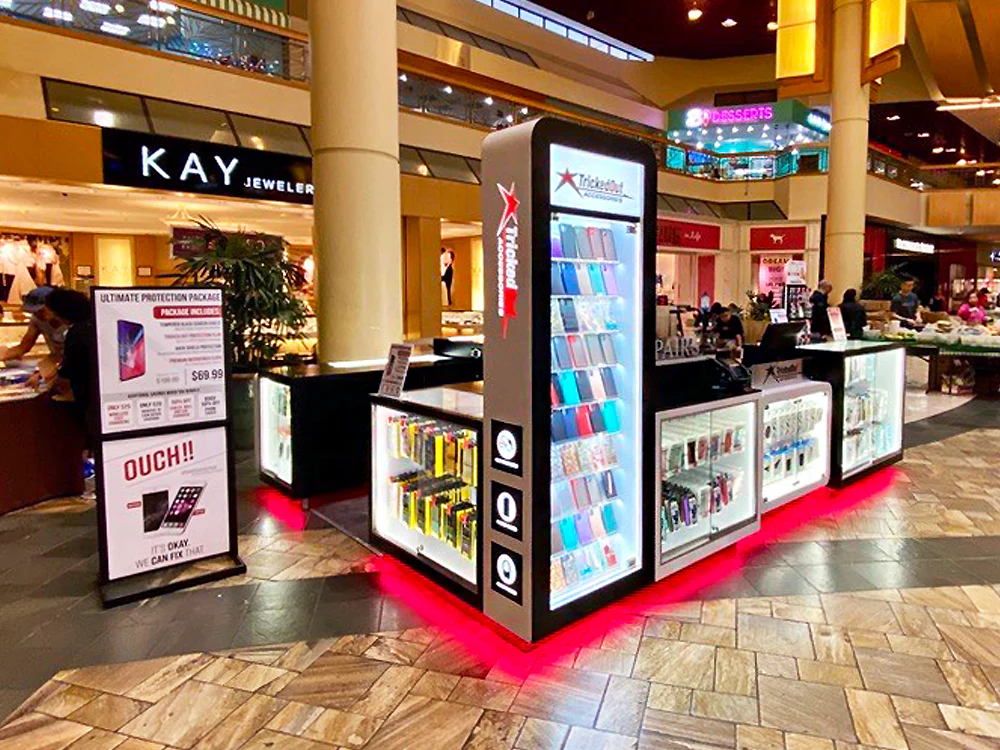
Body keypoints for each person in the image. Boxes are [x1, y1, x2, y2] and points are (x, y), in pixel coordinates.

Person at [1, 286, 67, 365]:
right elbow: (24, 347)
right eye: (34, 312)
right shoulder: (37, 320)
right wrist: (5, 355)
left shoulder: (71, 321)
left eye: (41, 311)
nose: (38, 315)